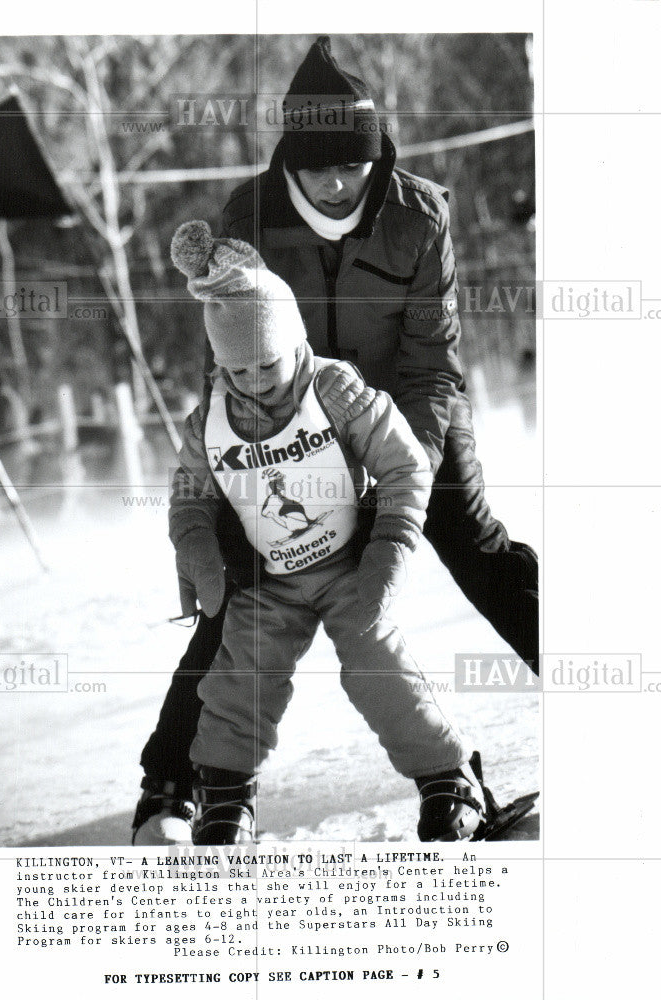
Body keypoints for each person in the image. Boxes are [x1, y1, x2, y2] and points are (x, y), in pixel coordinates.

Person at [132, 36, 538, 845]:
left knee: (475, 541)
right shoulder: (247, 216)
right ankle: (168, 789)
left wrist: (403, 476)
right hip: (281, 413)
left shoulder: (420, 217)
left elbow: (432, 363)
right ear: (291, 162)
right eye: (319, 167)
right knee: (234, 579)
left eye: (352, 164)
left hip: (402, 412)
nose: (338, 180)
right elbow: (226, 353)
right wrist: (220, 490)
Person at [166, 219, 488, 844]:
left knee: (377, 665)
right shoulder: (208, 420)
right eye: (237, 370)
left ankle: (449, 779)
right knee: (242, 677)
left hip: (349, 565)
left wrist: (391, 547)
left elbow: (405, 463)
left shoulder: (332, 388)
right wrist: (195, 543)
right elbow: (188, 493)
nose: (254, 380)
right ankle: (227, 797)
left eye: (267, 364)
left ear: (295, 343)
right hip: (273, 577)